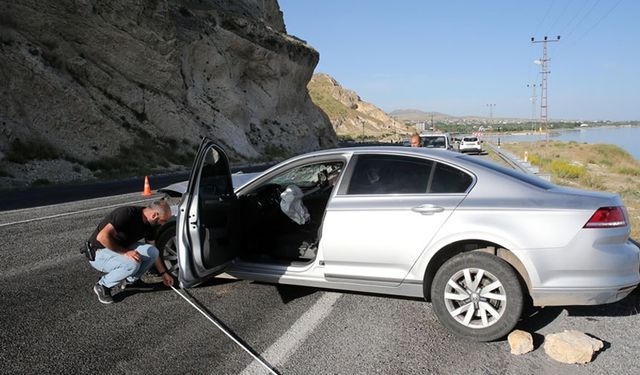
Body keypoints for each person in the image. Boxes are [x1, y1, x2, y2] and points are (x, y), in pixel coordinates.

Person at [88, 200, 174, 304]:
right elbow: (102, 237)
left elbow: (152, 247)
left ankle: (130, 282)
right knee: (132, 263)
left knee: (153, 252)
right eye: (163, 220)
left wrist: (163, 273)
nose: (163, 223)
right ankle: (102, 285)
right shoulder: (127, 214)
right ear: (154, 215)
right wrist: (125, 253)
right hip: (98, 252)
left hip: (120, 247)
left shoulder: (151, 224)